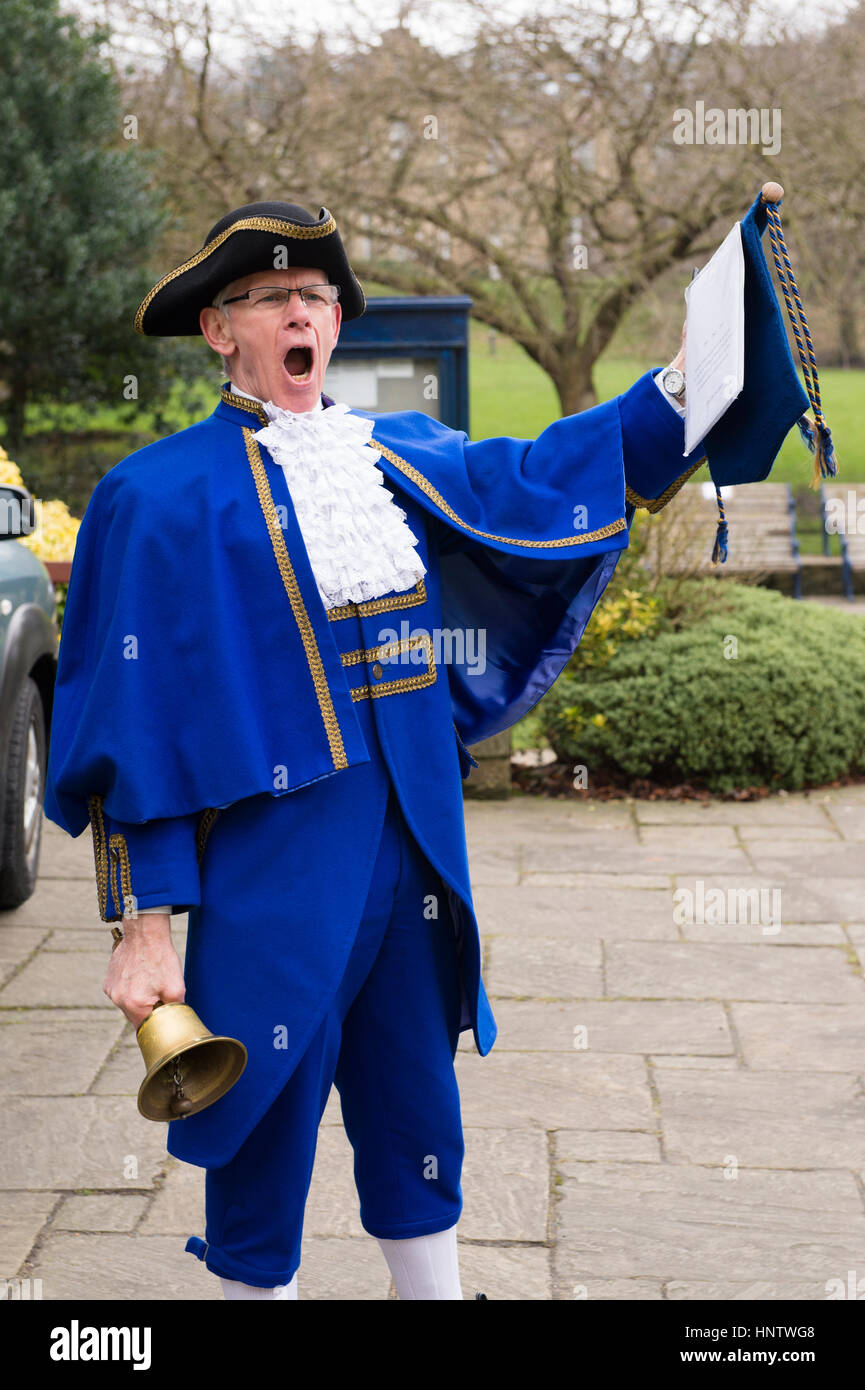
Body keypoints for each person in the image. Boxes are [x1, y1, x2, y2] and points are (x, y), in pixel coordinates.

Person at [43, 197, 807, 1300]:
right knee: (261, 1111)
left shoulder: (394, 454)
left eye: (318, 297)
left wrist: (687, 379)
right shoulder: (148, 499)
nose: (304, 313)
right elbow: (124, 729)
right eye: (274, 299)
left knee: (416, 1106)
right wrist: (143, 923)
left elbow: (546, 475)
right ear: (220, 329)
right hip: (271, 863)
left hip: (417, 847)